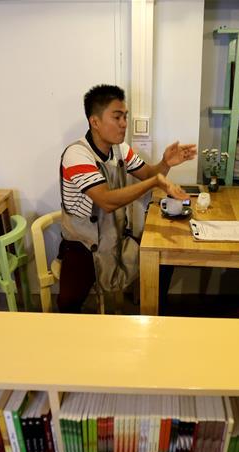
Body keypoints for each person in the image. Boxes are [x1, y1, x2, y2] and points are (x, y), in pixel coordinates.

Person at [59, 84, 196, 313]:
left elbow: (149, 174)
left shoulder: (120, 148)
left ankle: (152, 313)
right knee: (68, 309)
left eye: (125, 116)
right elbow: (106, 201)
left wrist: (165, 164)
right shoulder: (77, 155)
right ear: (95, 122)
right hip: (83, 244)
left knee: (164, 258)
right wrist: (155, 182)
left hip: (114, 237)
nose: (124, 123)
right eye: (117, 117)